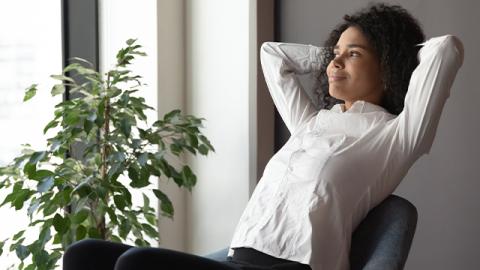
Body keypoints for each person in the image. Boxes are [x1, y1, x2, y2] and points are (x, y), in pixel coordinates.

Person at [63, 3, 464, 270]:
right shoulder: (311, 123)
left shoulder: (396, 136)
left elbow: (446, 49)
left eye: (353, 54)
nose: (335, 61)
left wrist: (401, 52)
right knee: (84, 255)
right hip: (238, 259)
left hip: (291, 267)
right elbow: (273, 55)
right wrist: (332, 54)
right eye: (334, 52)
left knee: (136, 265)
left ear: (389, 66)